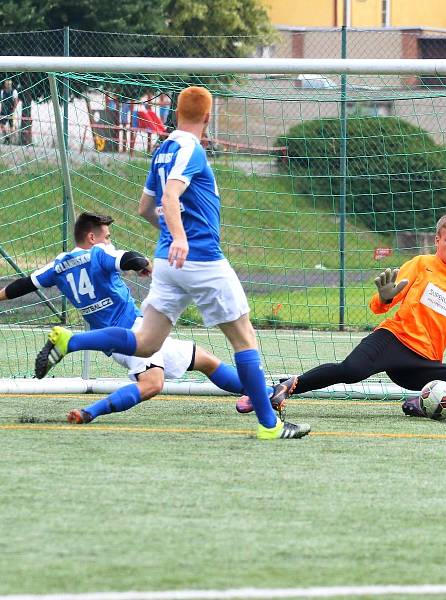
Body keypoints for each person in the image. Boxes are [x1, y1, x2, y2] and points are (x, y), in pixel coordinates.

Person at [35, 86, 309, 440]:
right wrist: (181, 237)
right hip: (201, 259)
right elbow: (169, 195)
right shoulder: (189, 147)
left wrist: (170, 237)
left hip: (167, 261)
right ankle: (270, 426)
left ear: (175, 113)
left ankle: (70, 341)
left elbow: (145, 208)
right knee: (245, 339)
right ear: (208, 118)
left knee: (147, 341)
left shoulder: (162, 150)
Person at [238, 213, 446, 417]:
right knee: (351, 371)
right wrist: (385, 297)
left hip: (424, 364)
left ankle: (422, 404)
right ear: (438, 239)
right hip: (393, 340)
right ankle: (283, 388)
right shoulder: (420, 264)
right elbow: (379, 306)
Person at [2, 212, 257, 424]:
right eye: (107, 237)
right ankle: (91, 411)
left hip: (117, 341)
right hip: (133, 333)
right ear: (92, 237)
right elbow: (128, 258)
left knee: (204, 360)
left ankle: (263, 394)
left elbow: (22, 286)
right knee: (152, 384)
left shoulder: (58, 264)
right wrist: (144, 264)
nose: (109, 242)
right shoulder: (98, 253)